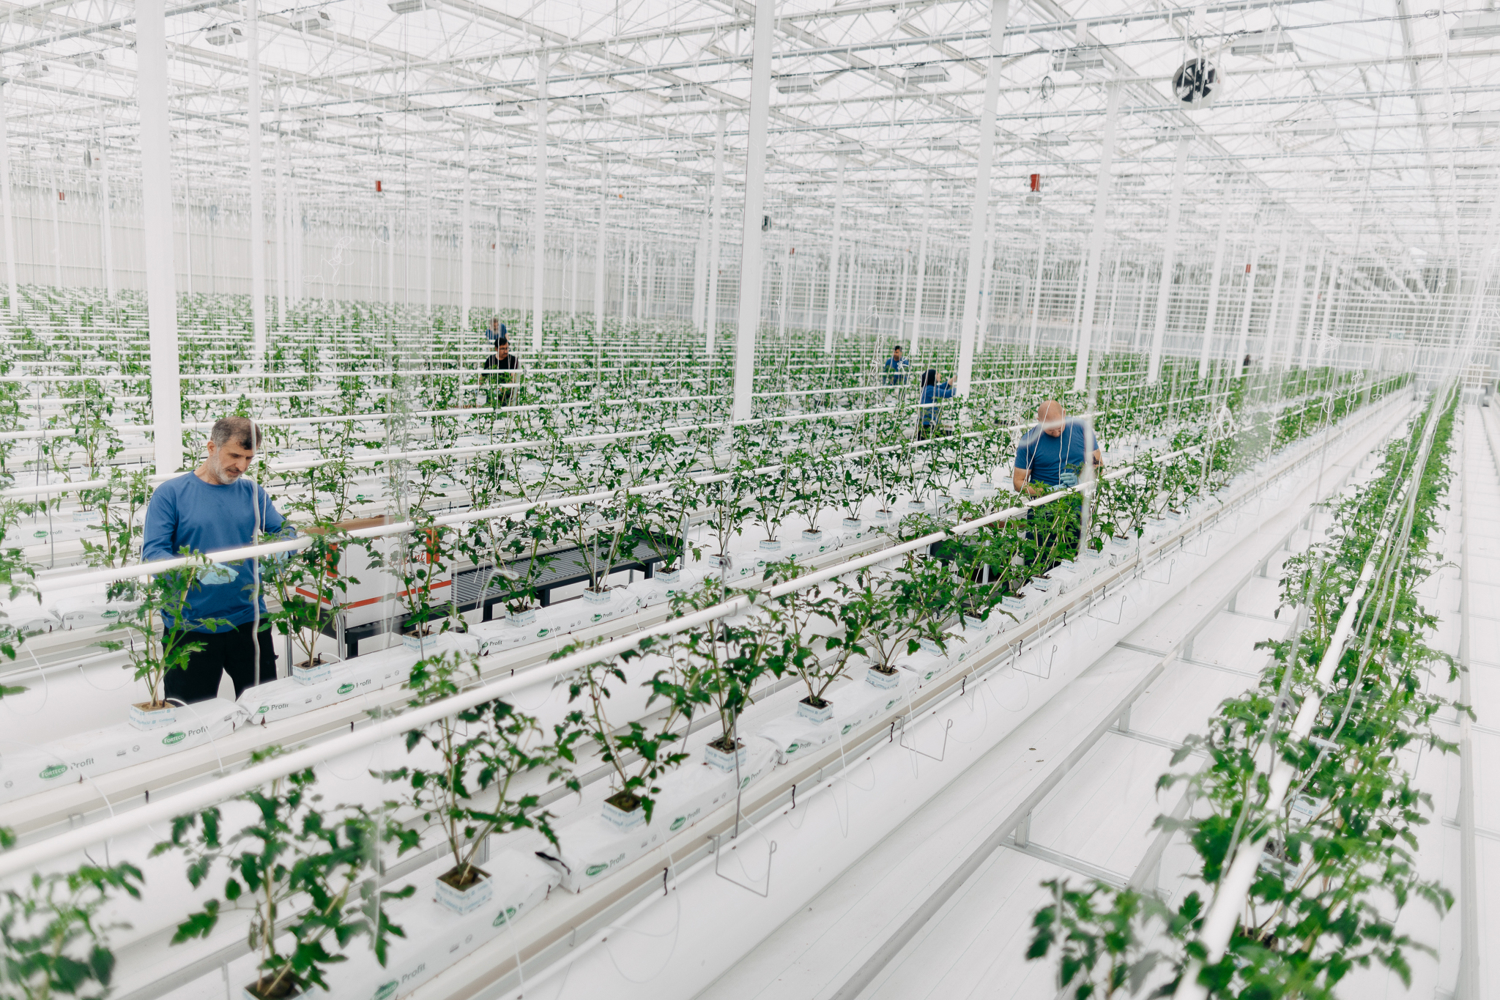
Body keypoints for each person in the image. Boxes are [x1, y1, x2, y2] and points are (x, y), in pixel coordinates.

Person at [143, 417, 286, 704]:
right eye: (235, 455)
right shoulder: (171, 495)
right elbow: (153, 555)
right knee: (189, 716)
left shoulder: (252, 492)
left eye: (248, 458)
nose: (242, 466)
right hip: (190, 626)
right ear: (211, 447)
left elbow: (283, 530)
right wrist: (197, 571)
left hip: (249, 621)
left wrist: (284, 549)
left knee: (264, 707)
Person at [1012, 400, 1104, 497]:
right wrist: (1048, 491)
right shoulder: (1028, 441)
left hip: (1078, 499)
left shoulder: (1081, 428)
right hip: (1043, 504)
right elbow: (1018, 483)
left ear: (1064, 413)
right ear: (1039, 420)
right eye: (1050, 430)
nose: (1056, 433)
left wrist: (1080, 480)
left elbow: (1098, 466)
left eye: (1060, 427)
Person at [481, 335, 521, 407]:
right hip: (492, 394)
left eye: (507, 348)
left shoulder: (513, 360)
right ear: (496, 348)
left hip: (508, 395)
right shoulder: (490, 360)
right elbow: (483, 377)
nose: (506, 351)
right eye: (503, 349)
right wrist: (477, 388)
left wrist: (502, 389)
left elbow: (513, 378)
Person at [917, 369, 955, 438]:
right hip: (928, 424)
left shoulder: (929, 387)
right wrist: (960, 387)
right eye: (937, 374)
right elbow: (947, 393)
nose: (940, 375)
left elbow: (945, 386)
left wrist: (956, 377)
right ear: (932, 377)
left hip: (929, 423)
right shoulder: (930, 389)